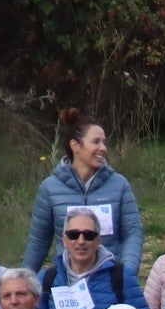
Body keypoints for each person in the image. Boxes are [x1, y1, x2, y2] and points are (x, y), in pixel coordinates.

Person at [25, 107, 143, 276]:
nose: (103, 148)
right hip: (66, 281)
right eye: (96, 142)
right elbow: (38, 242)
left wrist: (126, 272)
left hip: (110, 278)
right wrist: (23, 281)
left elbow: (133, 233)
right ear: (75, 145)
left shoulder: (119, 184)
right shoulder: (49, 188)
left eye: (104, 142)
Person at [41, 208, 143, 309]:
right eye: (74, 235)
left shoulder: (121, 276)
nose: (81, 241)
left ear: (98, 241)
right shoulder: (47, 279)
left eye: (88, 235)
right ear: (65, 240)